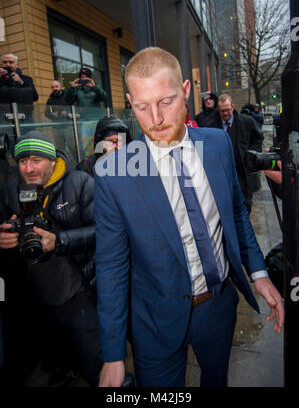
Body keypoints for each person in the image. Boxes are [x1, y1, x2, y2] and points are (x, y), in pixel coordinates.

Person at [94, 47, 284, 388]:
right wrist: (112, 353)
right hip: (154, 323)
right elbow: (111, 267)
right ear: (129, 101)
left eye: (165, 101)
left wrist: (258, 272)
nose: (155, 118)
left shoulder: (217, 144)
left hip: (218, 307)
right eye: (141, 106)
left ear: (185, 91)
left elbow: (236, 213)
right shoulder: (112, 173)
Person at [0, 131, 102, 387]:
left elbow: (103, 232)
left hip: (79, 289)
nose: (29, 168)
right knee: (55, 356)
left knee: (95, 359)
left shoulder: (80, 183)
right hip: (35, 294)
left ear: (53, 161)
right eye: (23, 161)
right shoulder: (10, 190)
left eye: (37, 160)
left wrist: (60, 240)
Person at [207, 94, 263, 214]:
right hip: (223, 173)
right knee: (228, 206)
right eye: (222, 111)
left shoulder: (247, 122)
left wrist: (252, 154)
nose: (225, 113)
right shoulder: (211, 125)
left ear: (233, 107)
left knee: (245, 205)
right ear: (218, 110)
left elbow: (258, 138)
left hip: (243, 171)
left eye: (227, 110)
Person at [65, 68, 108, 157]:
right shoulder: (77, 90)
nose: (83, 79)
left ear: (90, 78)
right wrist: (72, 88)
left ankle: (102, 159)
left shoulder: (95, 87)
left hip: (97, 120)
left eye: (86, 77)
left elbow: (104, 97)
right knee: (86, 145)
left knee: (99, 142)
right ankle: (89, 162)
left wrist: (95, 86)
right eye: (81, 77)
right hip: (84, 121)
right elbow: (68, 99)